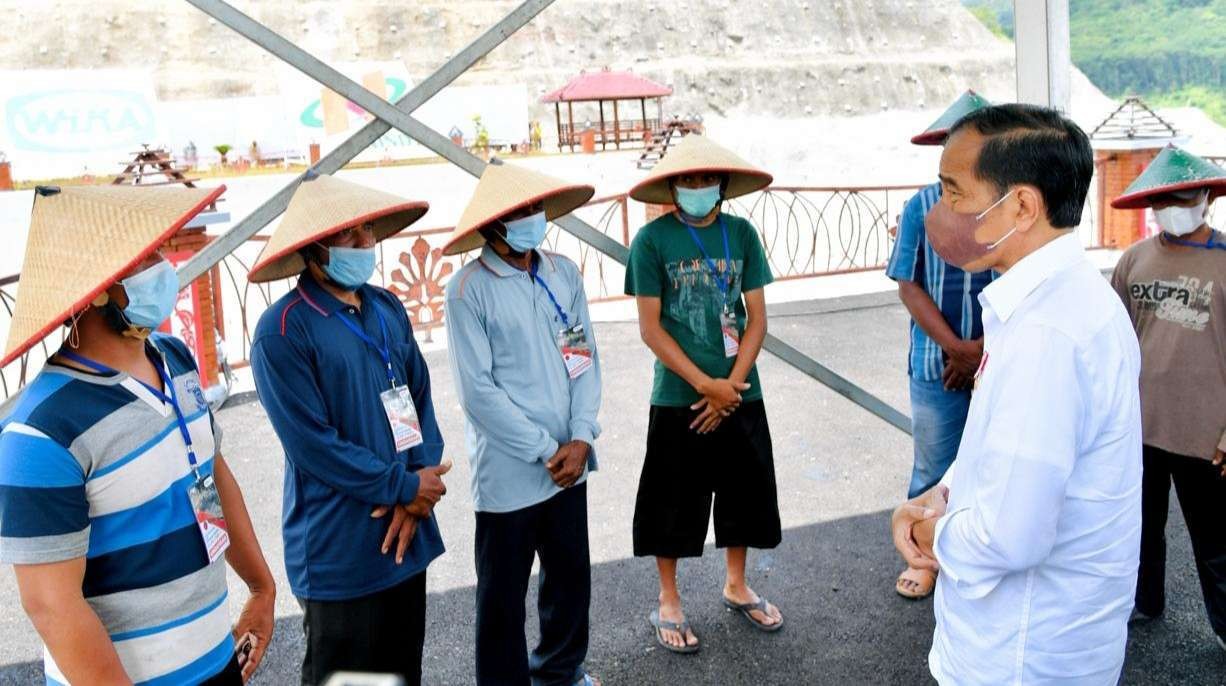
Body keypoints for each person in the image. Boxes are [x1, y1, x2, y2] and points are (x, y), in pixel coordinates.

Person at [891, 104, 1143, 684]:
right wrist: (943, 493)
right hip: (1036, 644)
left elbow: (1009, 538)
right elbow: (1000, 453)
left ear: (1022, 206)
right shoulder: (1055, 303)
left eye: (954, 192)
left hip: (1020, 654)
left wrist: (922, 528)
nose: (941, 211)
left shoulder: (1046, 333)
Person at [0, 184, 275, 685]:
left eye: (159, 249)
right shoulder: (37, 433)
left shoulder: (174, 357)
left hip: (217, 658)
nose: (163, 266)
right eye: (143, 257)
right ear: (97, 285)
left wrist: (260, 589)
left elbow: (212, 469)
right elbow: (50, 606)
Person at [248, 173, 451, 685]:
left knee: (404, 672)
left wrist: (421, 477)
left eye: (368, 231)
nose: (365, 244)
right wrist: (403, 487)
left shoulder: (385, 306)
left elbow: (419, 394)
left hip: (408, 535)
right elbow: (313, 444)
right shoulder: (283, 330)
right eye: (347, 235)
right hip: (340, 550)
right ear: (314, 249)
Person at [442, 160, 602, 686]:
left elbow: (584, 361)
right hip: (510, 476)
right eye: (518, 211)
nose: (532, 217)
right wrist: (543, 447)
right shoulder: (468, 289)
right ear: (491, 224)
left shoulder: (563, 273)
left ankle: (559, 670)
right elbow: (478, 393)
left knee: (571, 581)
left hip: (569, 463)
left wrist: (580, 436)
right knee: (501, 600)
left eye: (535, 208)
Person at [625, 134, 783, 654]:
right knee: (671, 499)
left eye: (705, 179)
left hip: (740, 391)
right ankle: (668, 599)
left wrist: (731, 385)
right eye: (686, 180)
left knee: (743, 491)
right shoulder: (651, 242)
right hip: (680, 396)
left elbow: (756, 316)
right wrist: (704, 385)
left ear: (721, 185)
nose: (696, 187)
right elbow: (651, 327)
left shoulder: (742, 234)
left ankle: (736, 584)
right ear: (671, 187)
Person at [1109, 145, 1226, 653]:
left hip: (1207, 435)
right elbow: (1110, 345)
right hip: (1139, 427)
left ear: (1207, 198)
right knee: (1138, 528)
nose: (1176, 205)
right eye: (1166, 199)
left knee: (1217, 544)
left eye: (1185, 195)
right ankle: (1143, 601)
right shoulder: (1132, 260)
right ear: (1152, 206)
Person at [886, 90, 995, 599]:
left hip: (997, 362)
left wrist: (981, 350)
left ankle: (978, 553)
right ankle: (925, 555)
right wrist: (957, 348)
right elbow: (908, 283)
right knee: (933, 465)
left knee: (996, 464)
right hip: (937, 363)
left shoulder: (1007, 206)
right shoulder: (920, 206)